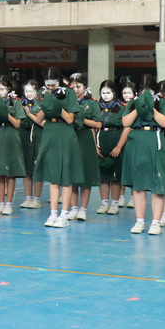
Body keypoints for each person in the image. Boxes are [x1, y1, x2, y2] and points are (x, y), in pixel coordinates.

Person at [121, 74, 165, 235]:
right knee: (138, 185)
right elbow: (125, 122)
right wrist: (139, 107)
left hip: (155, 140)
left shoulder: (162, 102)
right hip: (137, 140)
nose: (145, 92)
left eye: (148, 89)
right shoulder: (133, 102)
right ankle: (139, 221)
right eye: (142, 89)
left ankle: (156, 223)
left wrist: (151, 107)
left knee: (158, 184)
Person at [32, 67, 83, 228]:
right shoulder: (43, 93)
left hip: (65, 131)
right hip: (50, 132)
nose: (50, 87)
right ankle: (53, 213)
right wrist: (47, 102)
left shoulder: (69, 93)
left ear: (59, 81)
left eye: (53, 84)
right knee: (53, 177)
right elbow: (38, 118)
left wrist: (57, 105)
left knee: (66, 177)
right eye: (48, 84)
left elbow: (70, 119)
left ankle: (64, 214)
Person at [0, 76, 26, 215]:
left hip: (11, 135)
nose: (0, 91)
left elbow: (17, 124)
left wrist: (5, 112)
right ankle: (0, 203)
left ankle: (9, 204)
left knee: (10, 172)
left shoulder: (16, 102)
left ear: (9, 88)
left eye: (2, 88)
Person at [69, 73, 101, 221]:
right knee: (72, 176)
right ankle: (73, 208)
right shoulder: (67, 102)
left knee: (86, 177)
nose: (76, 89)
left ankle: (83, 209)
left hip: (86, 138)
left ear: (85, 86)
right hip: (71, 137)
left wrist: (82, 120)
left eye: (79, 86)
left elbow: (98, 124)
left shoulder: (92, 103)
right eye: (73, 86)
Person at [95, 80, 130, 215]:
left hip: (116, 140)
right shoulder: (96, 107)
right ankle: (104, 204)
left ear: (114, 93)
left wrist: (119, 146)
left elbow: (126, 128)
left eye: (108, 92)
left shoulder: (122, 107)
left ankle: (115, 204)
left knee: (115, 176)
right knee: (103, 175)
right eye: (103, 93)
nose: (105, 95)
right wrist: (95, 146)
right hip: (101, 140)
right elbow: (93, 127)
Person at [19, 79, 44, 209]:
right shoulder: (20, 103)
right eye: (26, 91)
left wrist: (29, 114)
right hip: (24, 136)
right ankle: (28, 197)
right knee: (26, 169)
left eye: (31, 91)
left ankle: (37, 198)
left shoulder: (41, 104)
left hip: (38, 137)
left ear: (37, 91)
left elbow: (43, 123)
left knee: (37, 168)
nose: (28, 94)